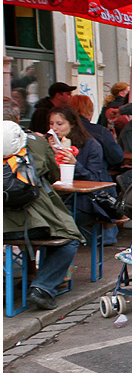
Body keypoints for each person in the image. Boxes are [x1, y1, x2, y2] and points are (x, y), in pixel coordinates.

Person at [3, 118, 83, 311]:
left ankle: (30, 280)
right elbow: (54, 174)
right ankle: (42, 287)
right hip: (34, 223)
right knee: (70, 237)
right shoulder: (36, 144)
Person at [47, 106, 116, 241]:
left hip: (85, 201)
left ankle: (63, 254)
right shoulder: (48, 145)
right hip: (58, 198)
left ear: (72, 124)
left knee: (61, 222)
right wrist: (54, 157)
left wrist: (74, 164)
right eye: (51, 124)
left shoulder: (91, 145)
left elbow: (95, 179)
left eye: (59, 124)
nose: (54, 128)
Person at [69, 95, 124, 172]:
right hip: (97, 175)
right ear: (90, 112)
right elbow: (117, 157)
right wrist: (115, 141)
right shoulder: (100, 131)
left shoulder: (64, 131)